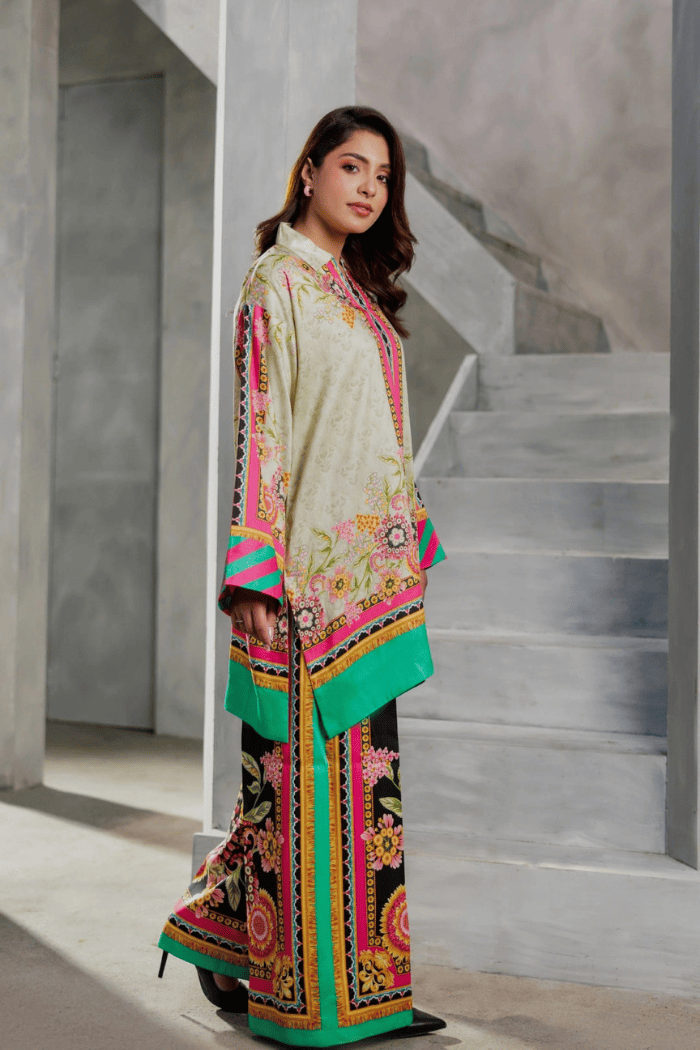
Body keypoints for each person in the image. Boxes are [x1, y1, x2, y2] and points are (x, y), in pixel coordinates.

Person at [157, 105, 447, 1046]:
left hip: (371, 582)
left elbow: (379, 442)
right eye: (352, 167)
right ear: (310, 171)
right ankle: (311, 1004)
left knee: (367, 804)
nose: (368, 187)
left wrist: (411, 541)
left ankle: (354, 986)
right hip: (306, 588)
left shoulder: (358, 297)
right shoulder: (274, 286)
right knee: (298, 797)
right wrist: (253, 577)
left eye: (383, 176)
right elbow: (263, 434)